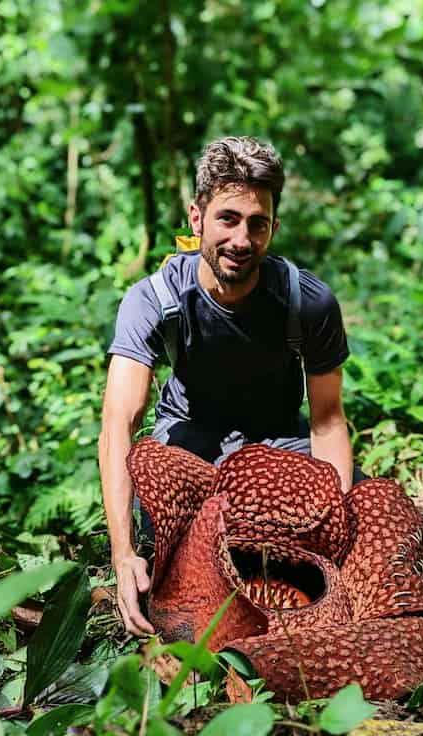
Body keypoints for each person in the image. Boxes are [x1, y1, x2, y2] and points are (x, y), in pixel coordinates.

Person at [99, 136, 355, 636]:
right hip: (190, 441)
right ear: (197, 219)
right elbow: (118, 425)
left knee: (356, 511)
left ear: (273, 228)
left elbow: (327, 420)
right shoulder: (154, 301)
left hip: (280, 441)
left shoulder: (308, 302)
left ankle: (299, 598)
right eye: (228, 219)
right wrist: (123, 553)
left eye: (257, 224)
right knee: (164, 532)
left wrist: (333, 526)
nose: (242, 239)